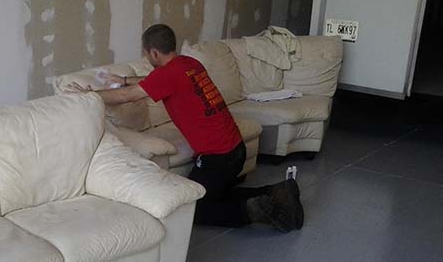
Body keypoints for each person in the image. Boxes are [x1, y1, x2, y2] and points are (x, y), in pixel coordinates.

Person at [67, 23, 303, 232]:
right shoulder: (190, 64)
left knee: (192, 209)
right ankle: (276, 191)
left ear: (153, 52)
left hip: (218, 159)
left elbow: (127, 96)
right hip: (235, 149)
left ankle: (256, 212)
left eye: (146, 53)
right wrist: (125, 80)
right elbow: (153, 82)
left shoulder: (167, 75)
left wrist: (89, 96)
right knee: (215, 195)